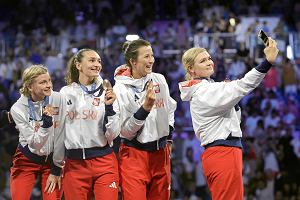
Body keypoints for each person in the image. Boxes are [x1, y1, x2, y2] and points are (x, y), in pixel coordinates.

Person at [178, 37, 279, 200]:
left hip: (221, 152)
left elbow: (234, 118)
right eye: (203, 61)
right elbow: (243, 85)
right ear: (191, 69)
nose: (209, 62)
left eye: (209, 58)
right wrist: (267, 62)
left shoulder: (204, 89)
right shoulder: (205, 91)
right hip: (223, 152)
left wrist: (233, 100)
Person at [113, 38, 177, 200]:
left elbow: (170, 108)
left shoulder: (159, 79)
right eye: (146, 56)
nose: (152, 60)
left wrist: (168, 134)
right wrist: (145, 109)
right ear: (133, 61)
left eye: (152, 55)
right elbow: (125, 132)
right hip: (134, 155)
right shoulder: (120, 89)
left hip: (161, 154)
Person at [60, 48, 120, 200]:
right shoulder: (65, 93)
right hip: (74, 164)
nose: (97, 64)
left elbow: (113, 134)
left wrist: (110, 107)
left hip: (104, 161)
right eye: (92, 60)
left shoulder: (107, 92)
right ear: (78, 65)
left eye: (99, 61)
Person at [10, 65, 65, 200]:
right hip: (26, 159)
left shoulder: (58, 98)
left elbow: (61, 134)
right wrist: (46, 125)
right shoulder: (18, 109)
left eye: (49, 81)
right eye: (43, 82)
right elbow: (35, 144)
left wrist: (57, 167)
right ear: (29, 87)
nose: (49, 85)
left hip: (52, 161)